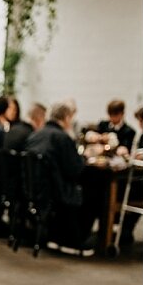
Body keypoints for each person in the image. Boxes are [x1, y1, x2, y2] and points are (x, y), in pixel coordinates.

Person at [27, 100, 90, 250]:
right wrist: (84, 157)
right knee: (93, 192)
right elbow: (75, 169)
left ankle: (56, 235)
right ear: (67, 118)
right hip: (54, 191)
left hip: (33, 188)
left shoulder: (36, 134)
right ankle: (75, 239)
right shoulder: (61, 137)